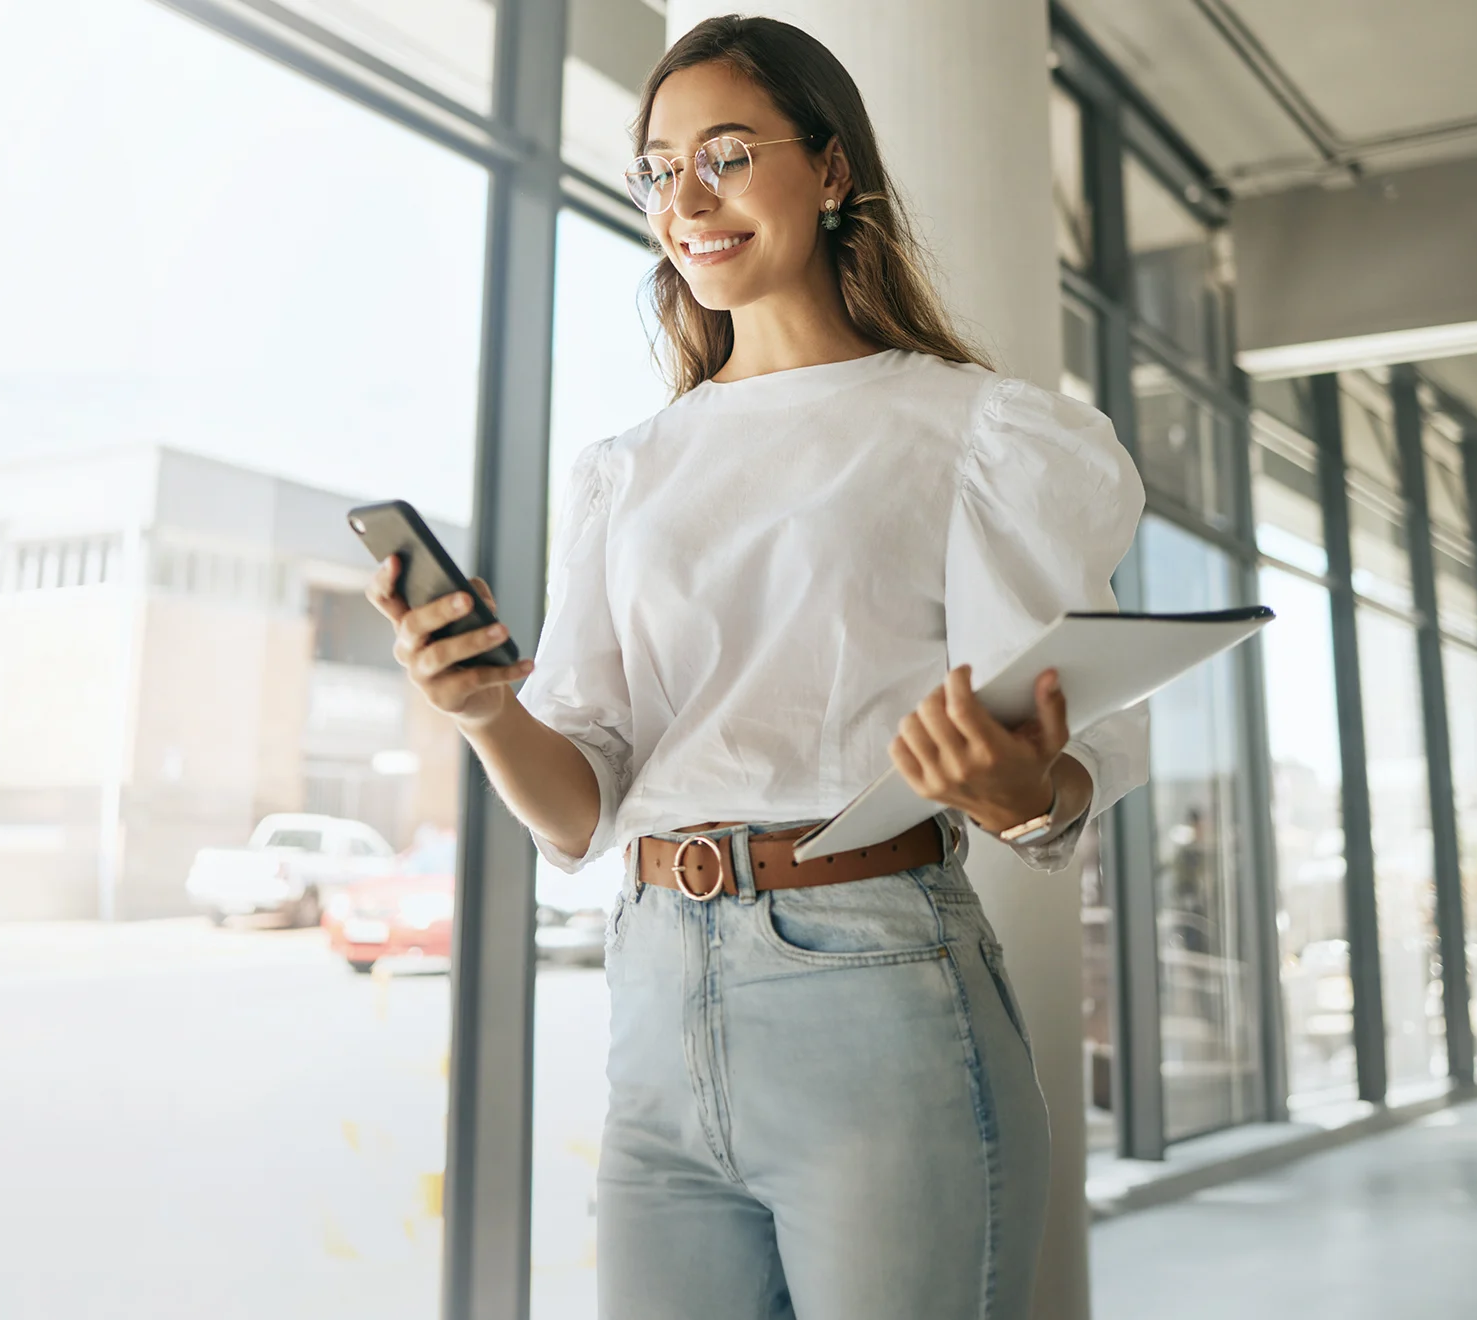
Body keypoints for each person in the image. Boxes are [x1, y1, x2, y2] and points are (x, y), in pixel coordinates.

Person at [363, 16, 1144, 1320]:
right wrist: (490, 710)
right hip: (657, 1000)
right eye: (660, 170)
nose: (689, 200)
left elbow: (1078, 752)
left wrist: (1022, 789)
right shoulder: (627, 469)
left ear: (833, 170)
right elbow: (583, 808)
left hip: (877, 990)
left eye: (726, 154)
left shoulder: (971, 432)